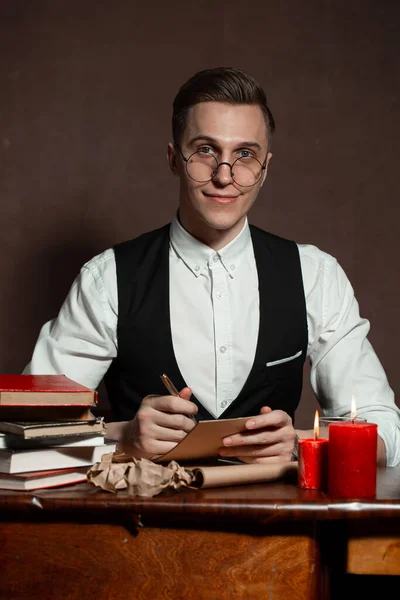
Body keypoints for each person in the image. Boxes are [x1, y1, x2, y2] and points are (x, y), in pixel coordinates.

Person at [24, 67, 399, 466]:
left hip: (279, 525)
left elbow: (386, 433)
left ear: (265, 169)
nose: (225, 175)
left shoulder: (316, 276)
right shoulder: (107, 280)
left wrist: (301, 443)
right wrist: (122, 437)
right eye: (205, 150)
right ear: (173, 159)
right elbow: (27, 432)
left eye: (244, 155)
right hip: (139, 524)